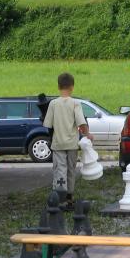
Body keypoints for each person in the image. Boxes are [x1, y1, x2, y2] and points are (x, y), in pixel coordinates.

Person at [43, 72, 92, 209]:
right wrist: (88, 134)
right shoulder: (75, 103)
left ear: (58, 86)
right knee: (71, 170)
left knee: (60, 169)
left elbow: (48, 125)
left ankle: (59, 198)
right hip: (72, 144)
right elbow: (81, 123)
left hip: (58, 143)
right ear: (72, 87)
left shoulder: (53, 104)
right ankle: (70, 198)